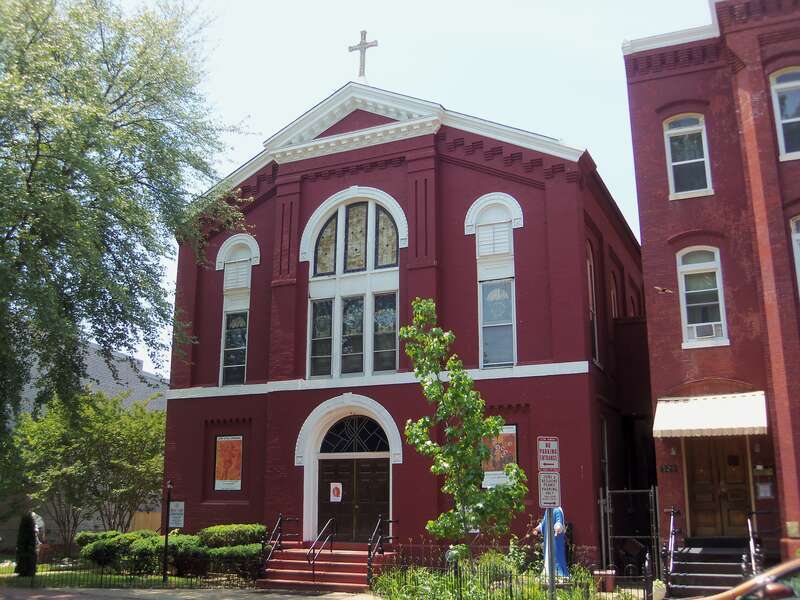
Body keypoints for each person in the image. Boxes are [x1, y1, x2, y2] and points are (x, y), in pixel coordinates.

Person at [533, 506, 569, 578]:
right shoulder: (548, 510)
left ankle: (559, 575)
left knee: (557, 556)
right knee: (548, 556)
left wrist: (558, 527)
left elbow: (559, 521)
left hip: (556, 539)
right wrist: (537, 528)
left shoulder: (557, 509)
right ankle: (548, 573)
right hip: (548, 539)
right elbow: (544, 523)